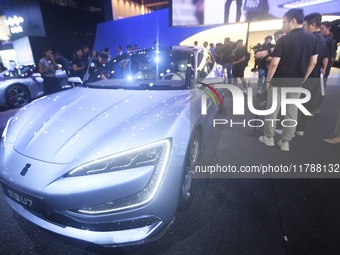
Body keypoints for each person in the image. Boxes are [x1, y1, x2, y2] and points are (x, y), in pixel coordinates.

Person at [258, 8, 318, 152]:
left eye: (284, 22)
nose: (282, 25)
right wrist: (303, 78)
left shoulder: (284, 39)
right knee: (292, 112)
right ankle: (285, 142)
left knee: (273, 110)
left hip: (279, 81)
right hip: (297, 83)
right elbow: (314, 62)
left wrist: (268, 81)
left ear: (293, 21)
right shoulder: (313, 39)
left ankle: (269, 137)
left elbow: (274, 63)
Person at [294, 13, 328, 136]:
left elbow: (311, 62)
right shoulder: (324, 40)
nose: (303, 29)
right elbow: (325, 58)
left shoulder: (311, 39)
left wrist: (303, 78)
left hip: (307, 76)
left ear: (313, 25)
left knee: (296, 104)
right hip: (316, 77)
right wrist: (323, 69)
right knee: (307, 104)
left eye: (305, 26)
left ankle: (291, 129)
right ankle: (300, 129)